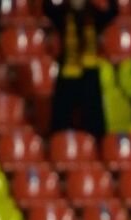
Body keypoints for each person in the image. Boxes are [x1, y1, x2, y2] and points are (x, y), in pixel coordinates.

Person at [45, 0, 117, 138]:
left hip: (90, 74)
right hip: (67, 73)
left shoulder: (94, 15)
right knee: (60, 118)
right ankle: (60, 143)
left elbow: (113, 11)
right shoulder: (62, 14)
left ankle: (95, 145)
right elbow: (47, 8)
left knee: (94, 119)